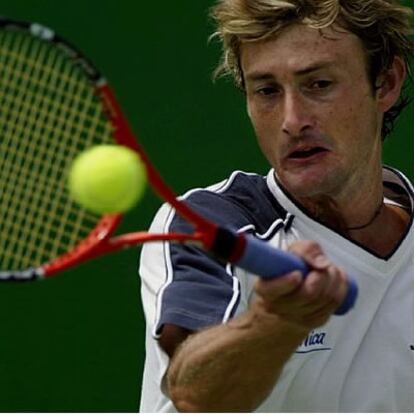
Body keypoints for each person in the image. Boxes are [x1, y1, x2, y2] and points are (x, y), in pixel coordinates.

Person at [139, 0, 414, 412]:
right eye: (267, 90)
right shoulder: (208, 224)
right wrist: (276, 322)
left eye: (318, 84)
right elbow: (196, 395)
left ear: (386, 83)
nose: (292, 120)